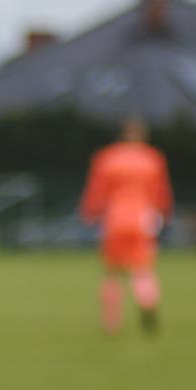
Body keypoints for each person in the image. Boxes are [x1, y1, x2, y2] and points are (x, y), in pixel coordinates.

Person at [79, 117, 174, 335]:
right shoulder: (152, 159)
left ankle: (111, 322)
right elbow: (160, 192)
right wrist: (165, 213)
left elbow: (97, 191)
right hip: (143, 219)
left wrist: (90, 213)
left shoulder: (107, 158)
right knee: (142, 270)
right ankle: (147, 301)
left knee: (112, 273)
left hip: (115, 219)